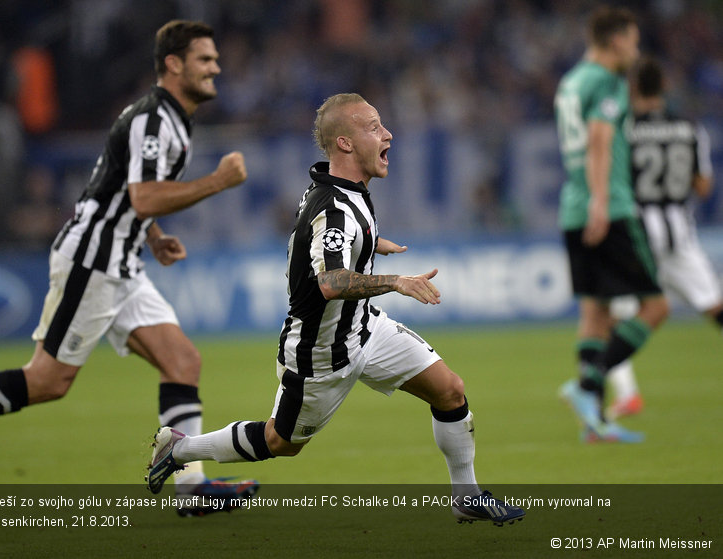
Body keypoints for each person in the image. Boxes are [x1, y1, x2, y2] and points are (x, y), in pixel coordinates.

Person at [0, 20, 258, 517]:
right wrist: (216, 181)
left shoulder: (171, 121)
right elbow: (142, 194)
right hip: (93, 259)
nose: (216, 68)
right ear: (174, 64)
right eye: (205, 60)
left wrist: (152, 235)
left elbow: (120, 190)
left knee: (183, 361)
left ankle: (190, 486)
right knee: (47, 381)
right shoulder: (154, 119)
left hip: (122, 259)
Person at [145, 93, 525, 526]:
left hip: (365, 329)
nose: (388, 134)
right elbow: (330, 282)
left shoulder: (342, 188)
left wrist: (371, 243)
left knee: (450, 390)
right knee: (280, 442)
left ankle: (467, 495)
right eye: (374, 127)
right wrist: (396, 281)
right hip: (320, 351)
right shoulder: (333, 208)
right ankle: (178, 449)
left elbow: (314, 242)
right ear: (344, 143)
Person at [554, 6, 669, 443]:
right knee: (657, 307)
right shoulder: (606, 81)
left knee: (595, 312)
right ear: (617, 39)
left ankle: (594, 424)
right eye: (634, 41)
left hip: (572, 206)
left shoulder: (571, 81)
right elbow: (601, 140)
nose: (635, 50)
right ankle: (587, 386)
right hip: (609, 206)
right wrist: (602, 202)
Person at [605, 57, 721, 418]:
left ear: (634, 88)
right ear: (664, 88)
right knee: (714, 307)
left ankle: (623, 393)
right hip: (678, 232)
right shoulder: (689, 127)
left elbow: (611, 179)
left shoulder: (625, 127)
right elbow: (703, 186)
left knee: (615, 315)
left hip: (639, 232)